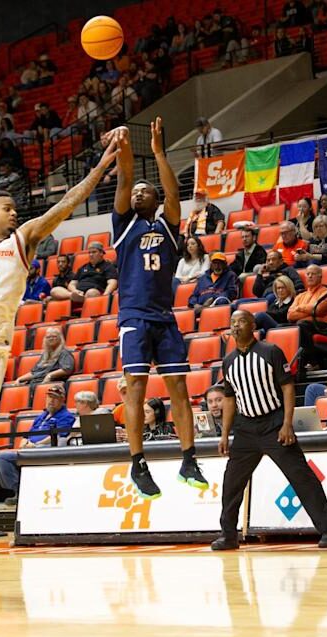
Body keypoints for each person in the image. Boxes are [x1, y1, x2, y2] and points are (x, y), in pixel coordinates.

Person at [0, 134, 118, 544]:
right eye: (7, 208)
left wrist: (100, 168)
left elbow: (66, 203)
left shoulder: (24, 240)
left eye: (15, 208)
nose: (15, 213)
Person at [112, 119, 208, 499]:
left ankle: (189, 459)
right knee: (135, 388)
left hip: (164, 318)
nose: (137, 193)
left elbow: (173, 193)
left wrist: (158, 154)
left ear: (154, 199)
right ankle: (137, 463)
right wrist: (125, 156)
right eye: (134, 191)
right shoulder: (123, 225)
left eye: (144, 190)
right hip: (134, 317)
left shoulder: (168, 226)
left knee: (178, 389)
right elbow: (124, 182)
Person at [211, 310, 327, 550]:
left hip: (273, 423)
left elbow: (288, 388)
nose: (235, 326)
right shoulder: (229, 361)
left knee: (300, 476)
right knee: (232, 483)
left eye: (241, 321)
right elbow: (229, 399)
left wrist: (286, 423)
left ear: (252, 326)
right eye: (232, 322)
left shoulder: (270, 351)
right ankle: (228, 534)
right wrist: (225, 434)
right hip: (245, 429)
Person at [0, 384, 75, 505]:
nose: (51, 400)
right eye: (49, 397)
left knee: (4, 457)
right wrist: (24, 443)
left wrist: (35, 445)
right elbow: (26, 435)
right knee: (1, 457)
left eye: (55, 398)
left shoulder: (66, 416)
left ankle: (21, 492)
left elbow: (59, 437)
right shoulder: (41, 416)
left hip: (47, 449)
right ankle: (19, 491)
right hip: (30, 449)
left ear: (62, 400)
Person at [287, 264, 327, 371]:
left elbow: (317, 309)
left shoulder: (326, 292)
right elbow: (290, 315)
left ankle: (313, 362)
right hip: (308, 324)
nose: (309, 276)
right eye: (308, 274)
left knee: (301, 325)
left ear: (320, 276)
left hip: (326, 326)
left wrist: (299, 308)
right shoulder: (300, 296)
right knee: (282, 327)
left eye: (313, 274)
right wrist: (309, 310)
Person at [50, 242, 118, 303]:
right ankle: (77, 297)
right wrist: (75, 291)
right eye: (89, 252)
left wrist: (105, 296)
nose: (91, 255)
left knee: (91, 292)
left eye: (94, 252)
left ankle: (82, 299)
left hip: (95, 292)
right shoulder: (83, 267)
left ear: (101, 253)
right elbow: (72, 284)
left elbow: (112, 283)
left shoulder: (108, 266)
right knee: (54, 290)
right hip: (79, 292)